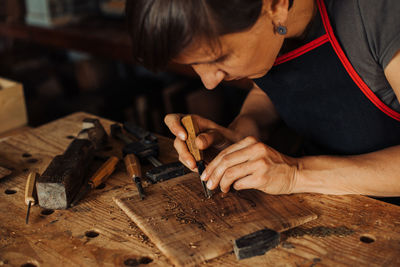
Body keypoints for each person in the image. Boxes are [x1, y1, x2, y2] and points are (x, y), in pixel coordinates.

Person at [126, 0, 400, 198]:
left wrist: (295, 173)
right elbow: (284, 87)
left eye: (218, 59)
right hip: (332, 204)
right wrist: (246, 127)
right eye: (194, 65)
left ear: (277, 5)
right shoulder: (270, 31)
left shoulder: (377, 10)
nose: (209, 82)